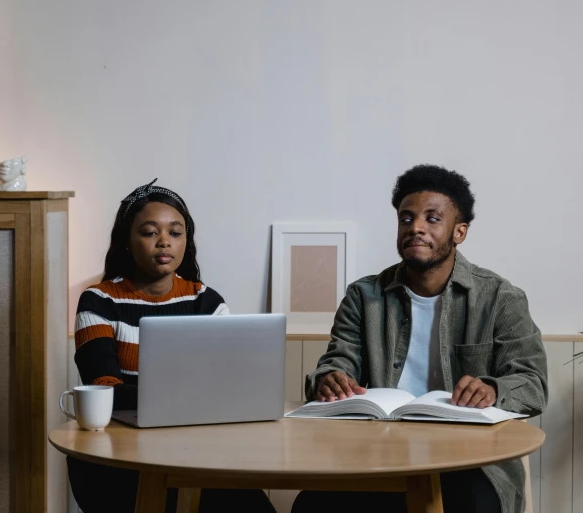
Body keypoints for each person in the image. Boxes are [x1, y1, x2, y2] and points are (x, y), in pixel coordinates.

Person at [292, 165, 548, 513]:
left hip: (470, 460)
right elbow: (339, 361)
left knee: (476, 505)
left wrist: (491, 390)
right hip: (377, 456)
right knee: (312, 505)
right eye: (406, 218)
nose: (416, 228)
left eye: (432, 219)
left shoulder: (500, 298)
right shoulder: (363, 296)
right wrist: (329, 379)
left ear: (459, 231)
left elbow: (533, 384)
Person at [68, 179, 275, 513]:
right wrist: (190, 397)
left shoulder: (206, 301)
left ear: (186, 241)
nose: (164, 241)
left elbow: (232, 386)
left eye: (175, 232)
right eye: (149, 232)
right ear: (126, 242)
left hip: (199, 447)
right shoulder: (99, 301)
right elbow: (104, 388)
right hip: (119, 450)